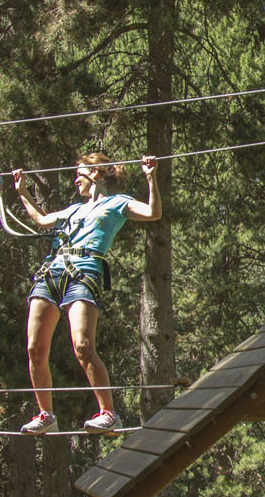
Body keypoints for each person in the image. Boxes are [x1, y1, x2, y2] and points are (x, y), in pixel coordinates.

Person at [10, 152, 162, 434]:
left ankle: (108, 413)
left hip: (84, 273)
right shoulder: (73, 210)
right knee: (35, 349)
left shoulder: (119, 203)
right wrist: (22, 193)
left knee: (83, 346)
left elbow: (153, 213)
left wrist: (151, 178)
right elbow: (42, 222)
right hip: (52, 273)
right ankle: (46, 415)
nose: (74, 179)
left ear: (95, 173)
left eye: (78, 172)